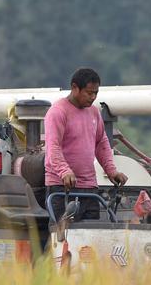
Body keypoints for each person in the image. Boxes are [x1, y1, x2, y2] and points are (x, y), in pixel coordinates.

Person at [44, 68, 128, 221]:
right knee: (61, 237)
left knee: (90, 238)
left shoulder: (94, 112)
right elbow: (53, 147)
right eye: (89, 93)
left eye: (96, 93)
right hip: (62, 187)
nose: (93, 97)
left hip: (89, 188)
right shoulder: (58, 112)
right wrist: (65, 171)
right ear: (75, 88)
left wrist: (111, 171)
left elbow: (101, 143)